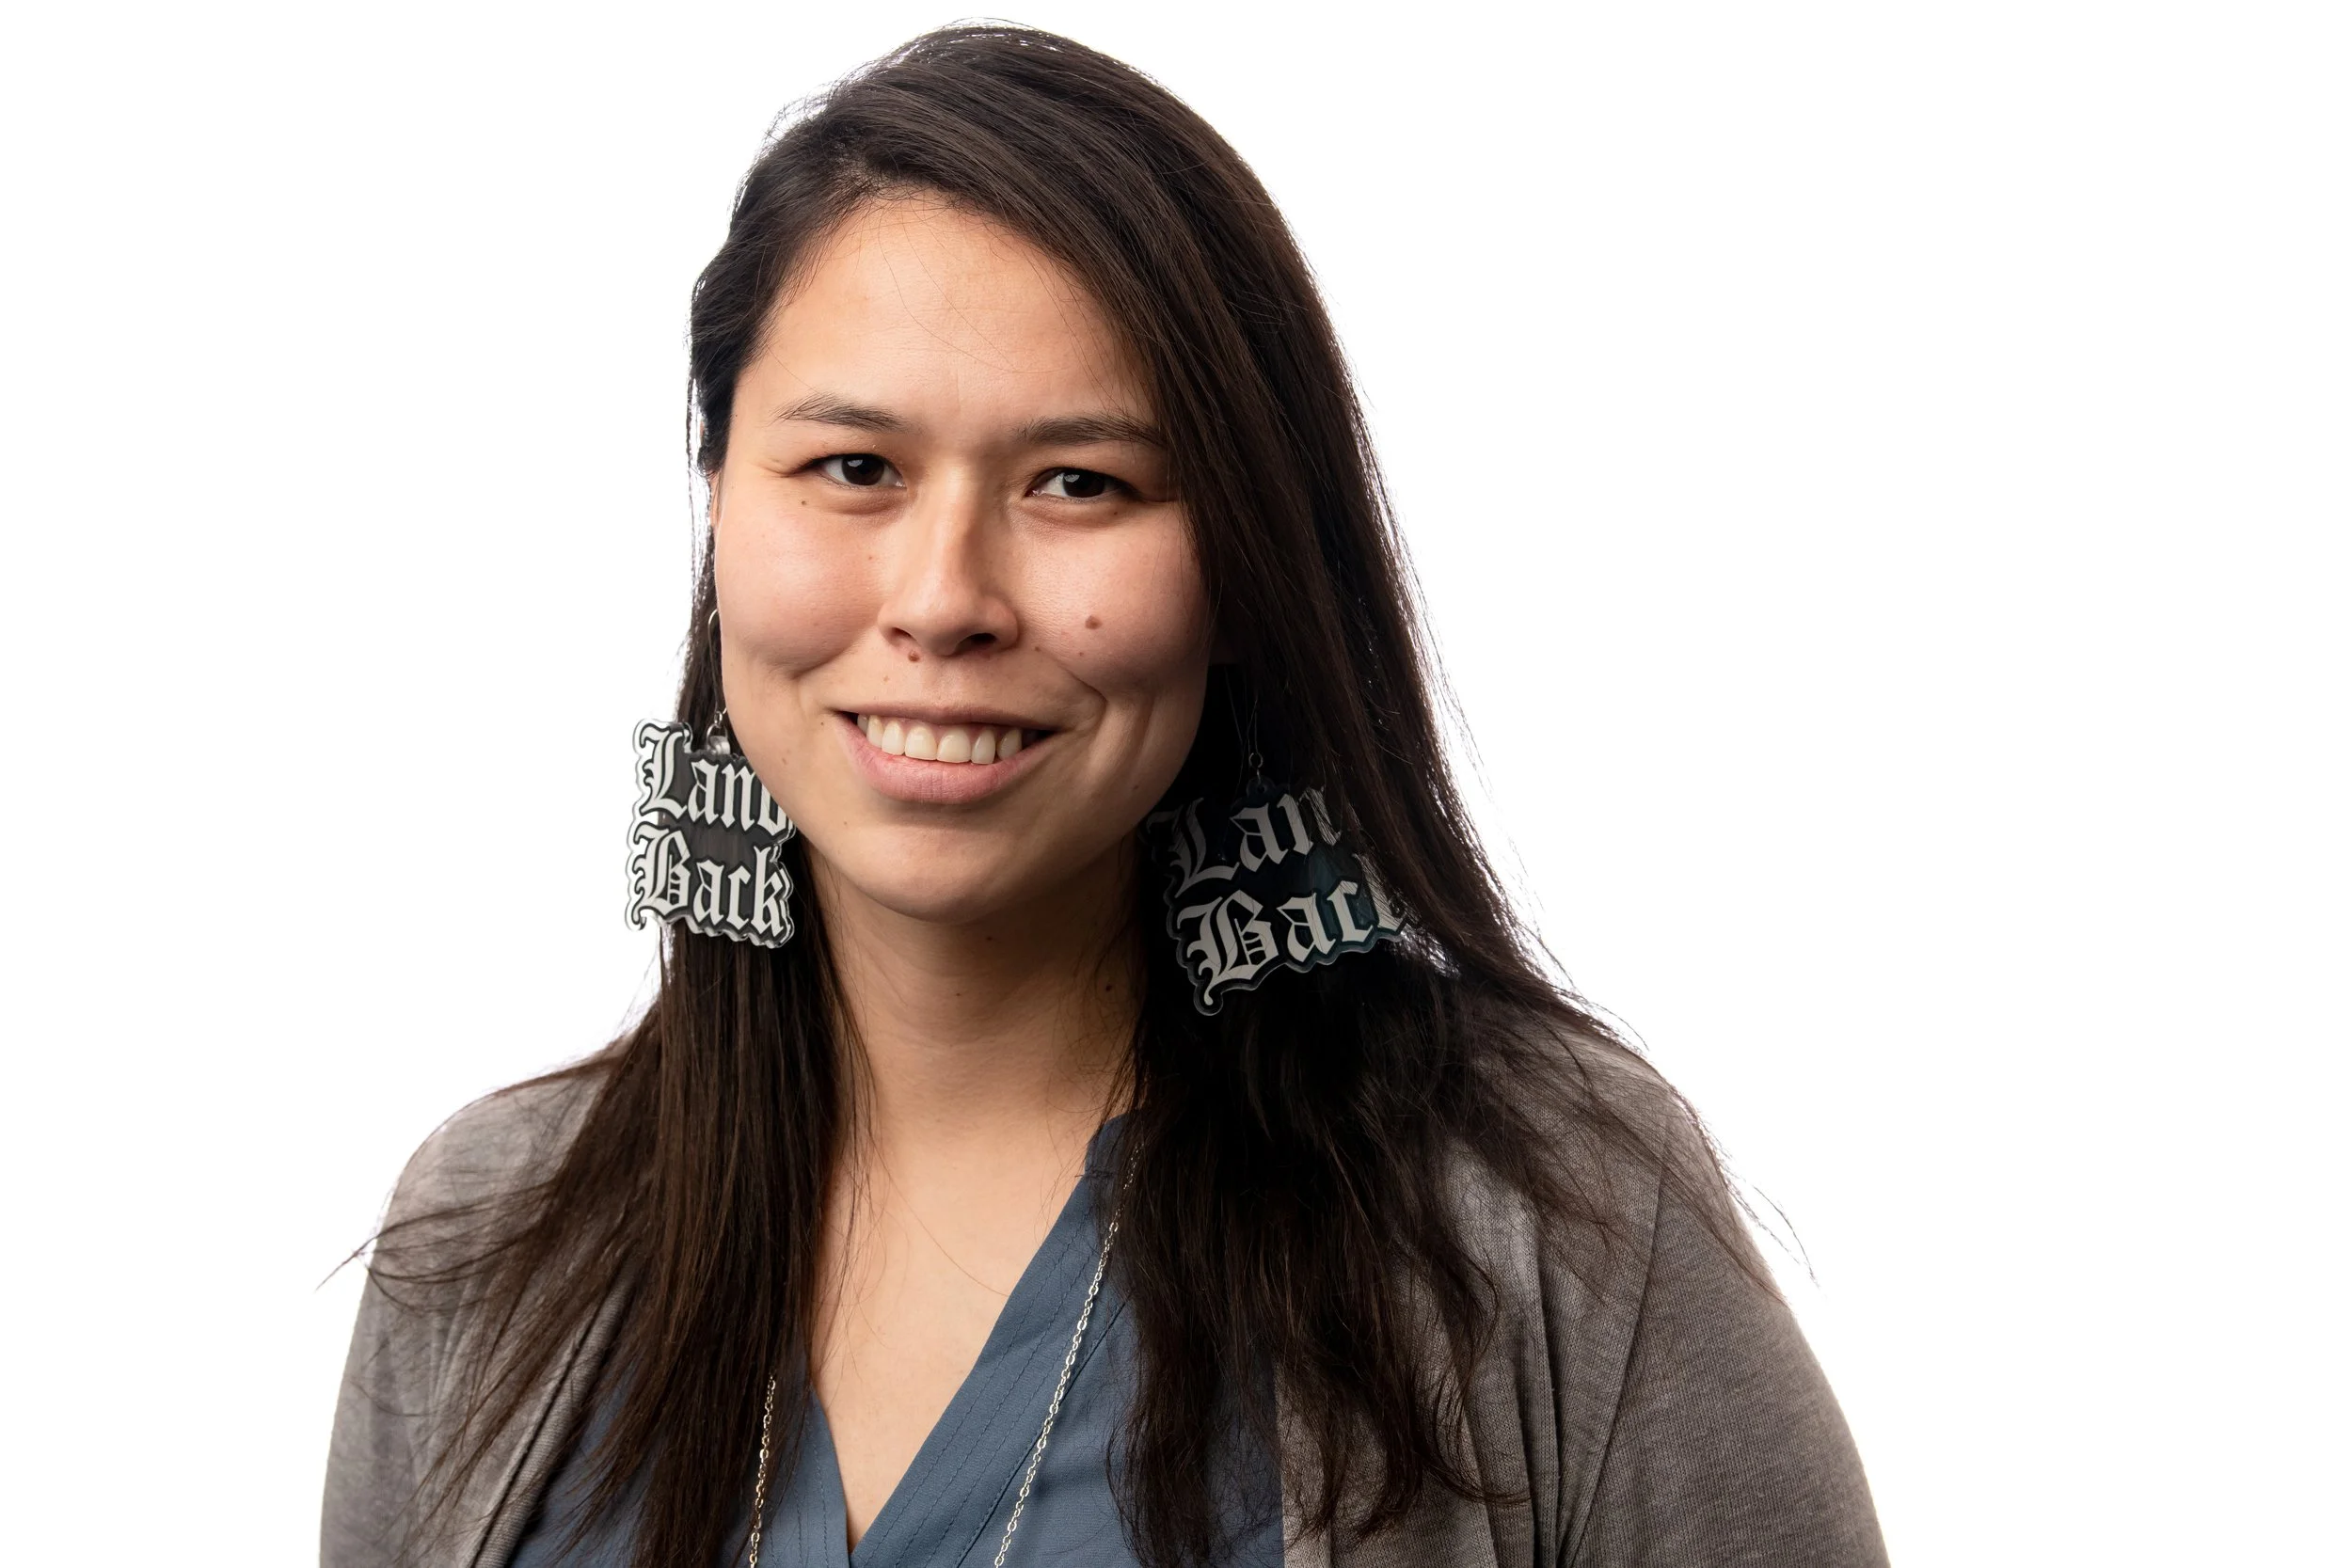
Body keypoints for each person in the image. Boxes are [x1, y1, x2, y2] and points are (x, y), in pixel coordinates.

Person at [323, 24, 1887, 1568]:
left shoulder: (1555, 1216)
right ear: (719, 499)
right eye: (853, 467)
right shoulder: (486, 1238)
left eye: (1081, 482)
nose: (944, 600)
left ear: (1249, 563)